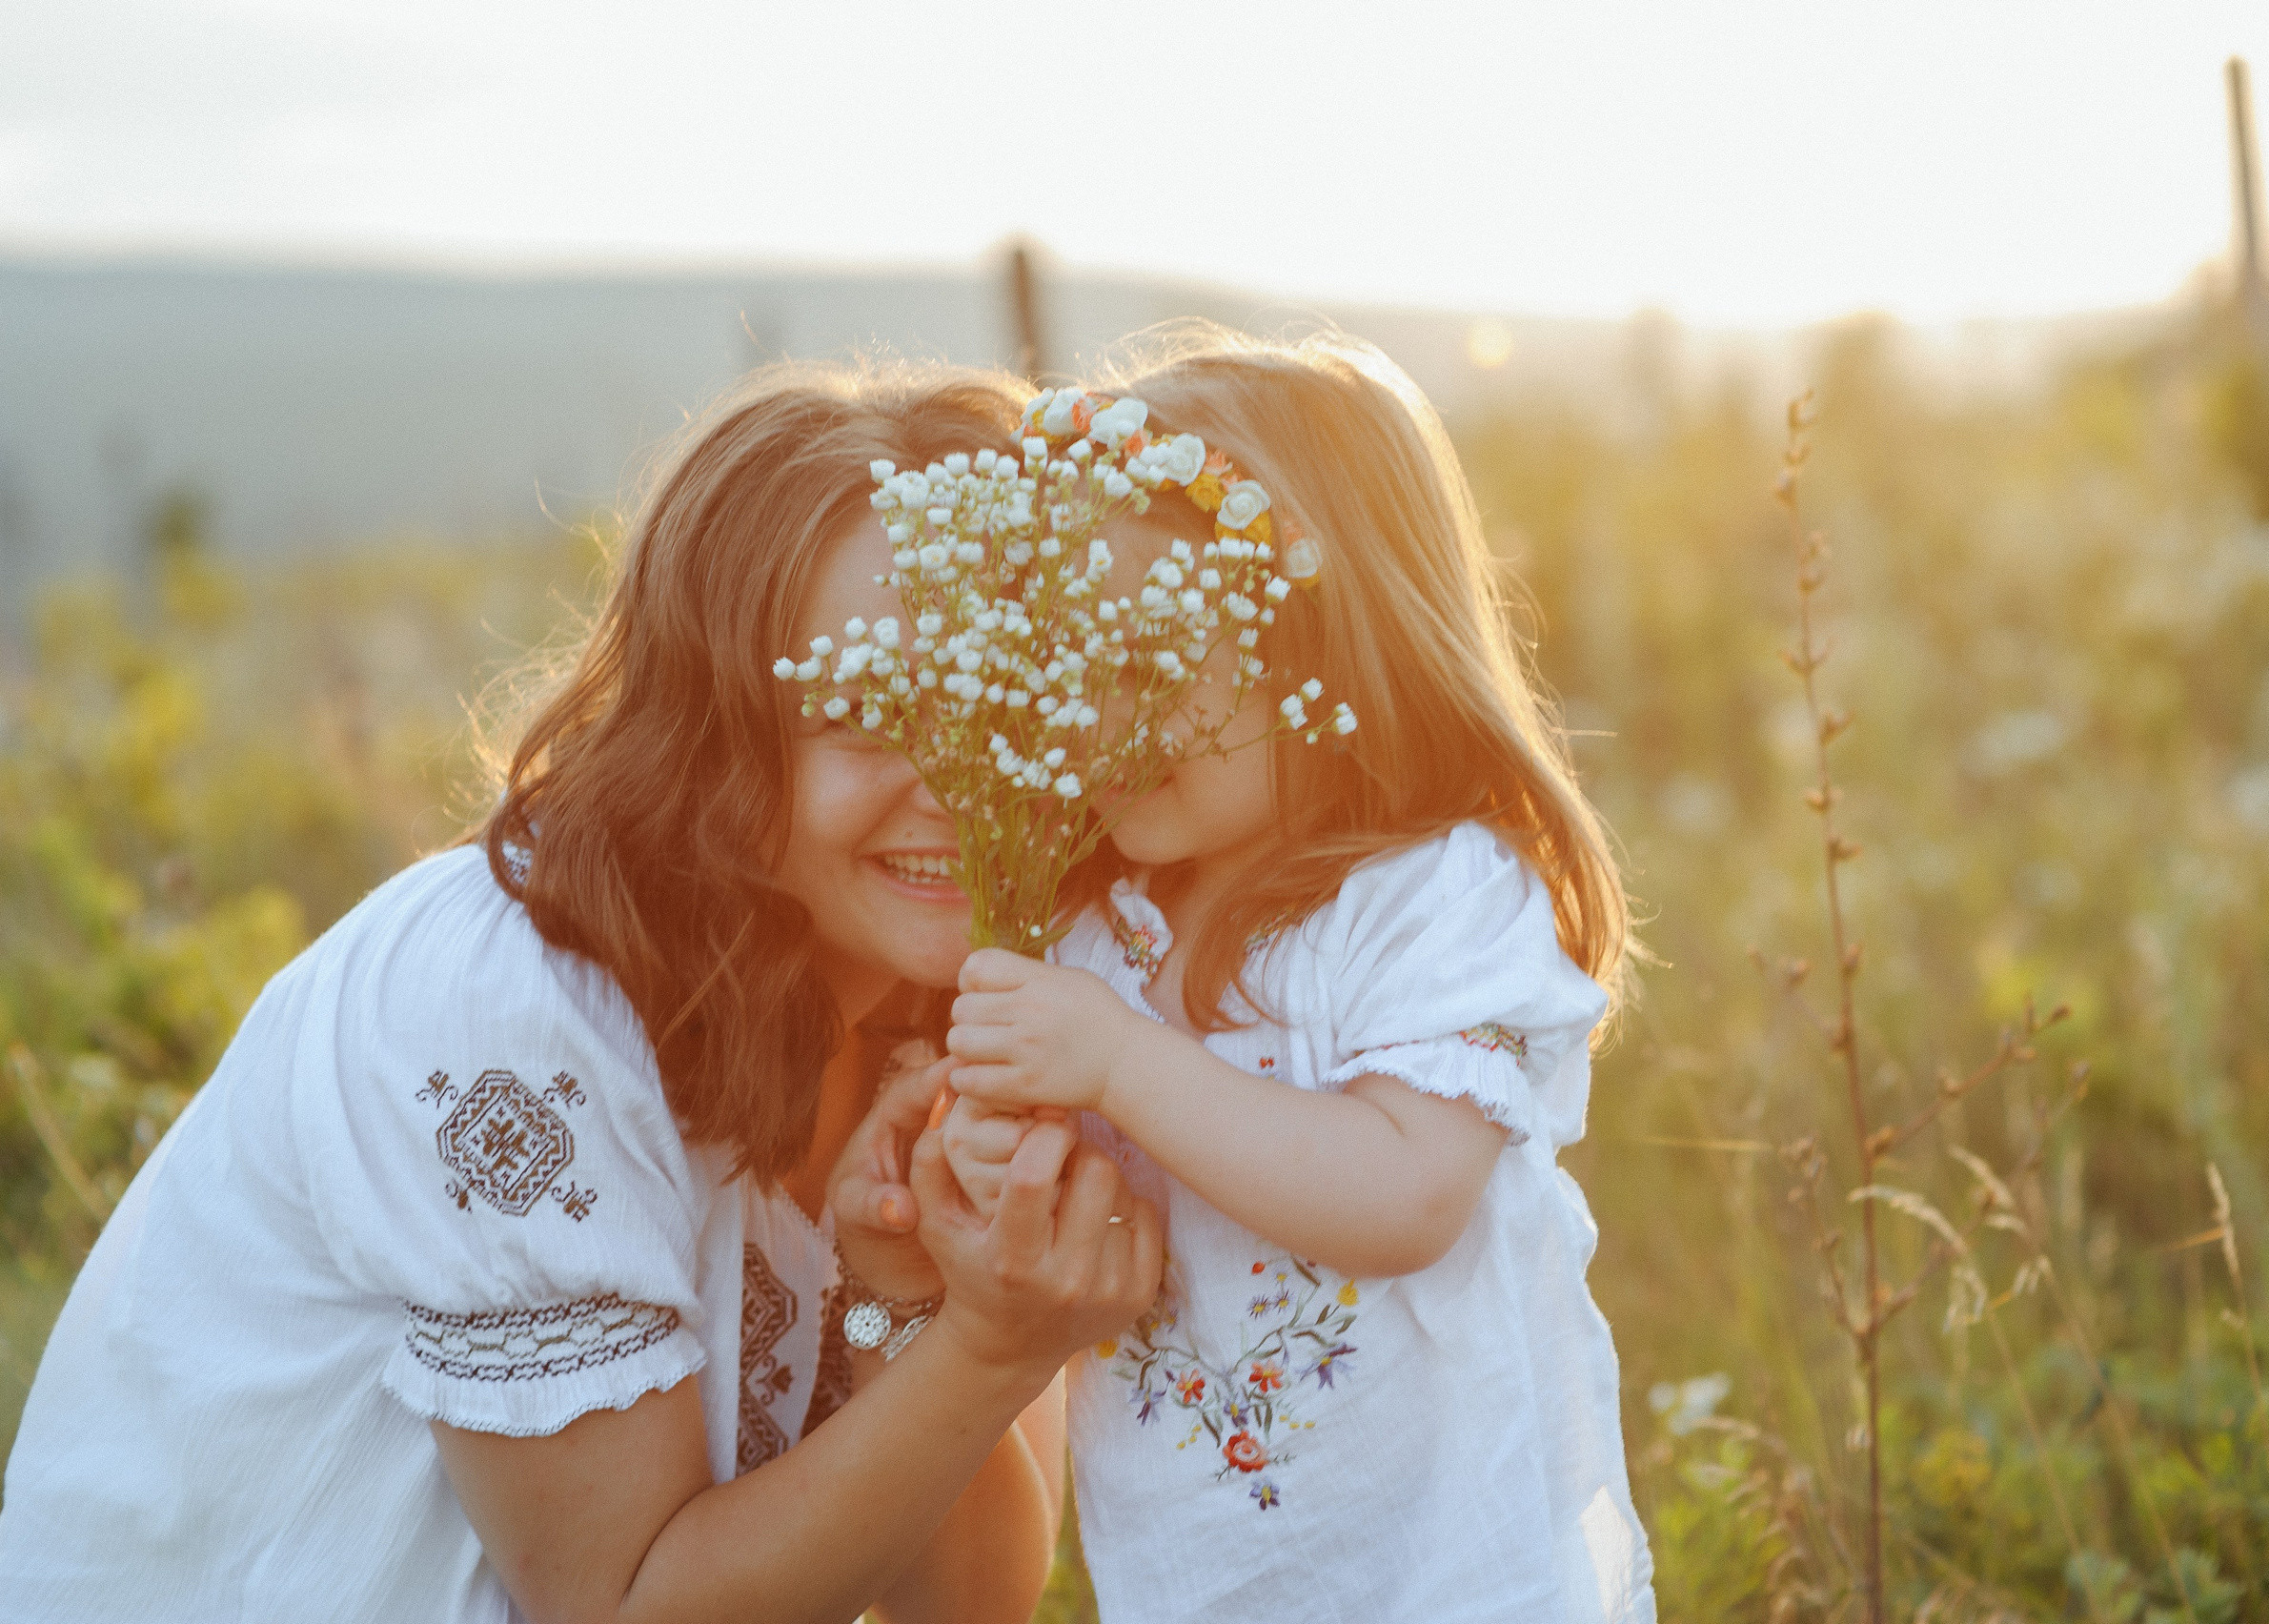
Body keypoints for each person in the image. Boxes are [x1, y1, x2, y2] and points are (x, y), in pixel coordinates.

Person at [0, 361, 1162, 1624]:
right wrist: (989, 1347)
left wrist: (930, 1312)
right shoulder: (515, 1009)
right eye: (867, 715)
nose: (955, 787)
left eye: (1002, 707)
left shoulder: (994, 1001)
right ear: (714, 732)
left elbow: (964, 1608)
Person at [939, 328, 1660, 1622]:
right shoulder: (1097, 929)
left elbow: (1404, 1196)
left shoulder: (1433, 896)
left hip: (1454, 1579)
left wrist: (1113, 1059)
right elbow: (1102, 1235)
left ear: (1334, 646)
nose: (1095, 721)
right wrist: (1000, 1159)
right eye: (1066, 666)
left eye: (1149, 666)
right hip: (1201, 1580)